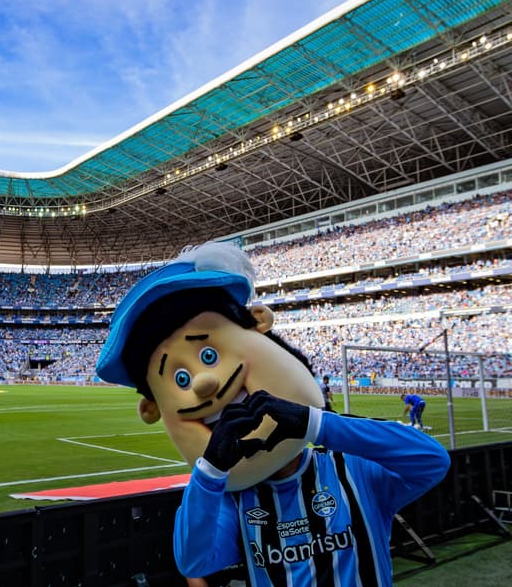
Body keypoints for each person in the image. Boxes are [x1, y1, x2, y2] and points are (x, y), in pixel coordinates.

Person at [96, 240, 450, 586]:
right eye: (182, 379)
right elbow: (194, 559)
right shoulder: (233, 501)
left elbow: (432, 461)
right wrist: (211, 468)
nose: (205, 386)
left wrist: (312, 422)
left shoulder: (353, 471)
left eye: (208, 356)